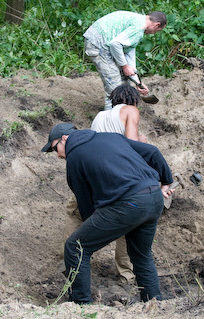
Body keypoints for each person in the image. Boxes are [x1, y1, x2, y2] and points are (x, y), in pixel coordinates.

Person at [41, 123, 174, 304]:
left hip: (128, 203)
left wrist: (94, 230)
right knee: (141, 256)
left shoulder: (74, 157)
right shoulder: (110, 137)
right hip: (154, 197)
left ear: (65, 138)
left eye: (55, 148)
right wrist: (166, 182)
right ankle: (154, 305)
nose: (57, 154)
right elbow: (152, 152)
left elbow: (85, 203)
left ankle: (81, 306)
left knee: (75, 247)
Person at [63, 85, 147, 283]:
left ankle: (69, 264)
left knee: (75, 214)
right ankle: (126, 274)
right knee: (127, 226)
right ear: (133, 101)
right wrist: (143, 142)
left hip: (93, 176)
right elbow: (132, 145)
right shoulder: (131, 111)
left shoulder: (100, 116)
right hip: (119, 179)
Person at [83, 10, 167, 110]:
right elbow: (115, 44)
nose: (153, 33)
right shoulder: (139, 28)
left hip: (101, 42)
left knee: (125, 80)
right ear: (156, 25)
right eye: (157, 31)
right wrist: (124, 66)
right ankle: (110, 120)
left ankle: (124, 111)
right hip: (98, 43)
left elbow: (128, 54)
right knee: (115, 88)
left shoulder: (138, 21)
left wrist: (137, 82)